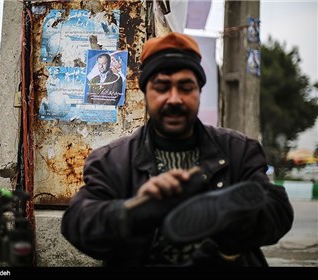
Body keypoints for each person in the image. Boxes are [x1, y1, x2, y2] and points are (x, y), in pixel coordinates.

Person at [61, 32, 294, 267]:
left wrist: (225, 219)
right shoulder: (111, 160)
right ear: (145, 93)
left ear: (199, 92)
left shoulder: (239, 150)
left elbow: (278, 212)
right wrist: (137, 210)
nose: (174, 99)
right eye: (162, 87)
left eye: (185, 87)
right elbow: (77, 222)